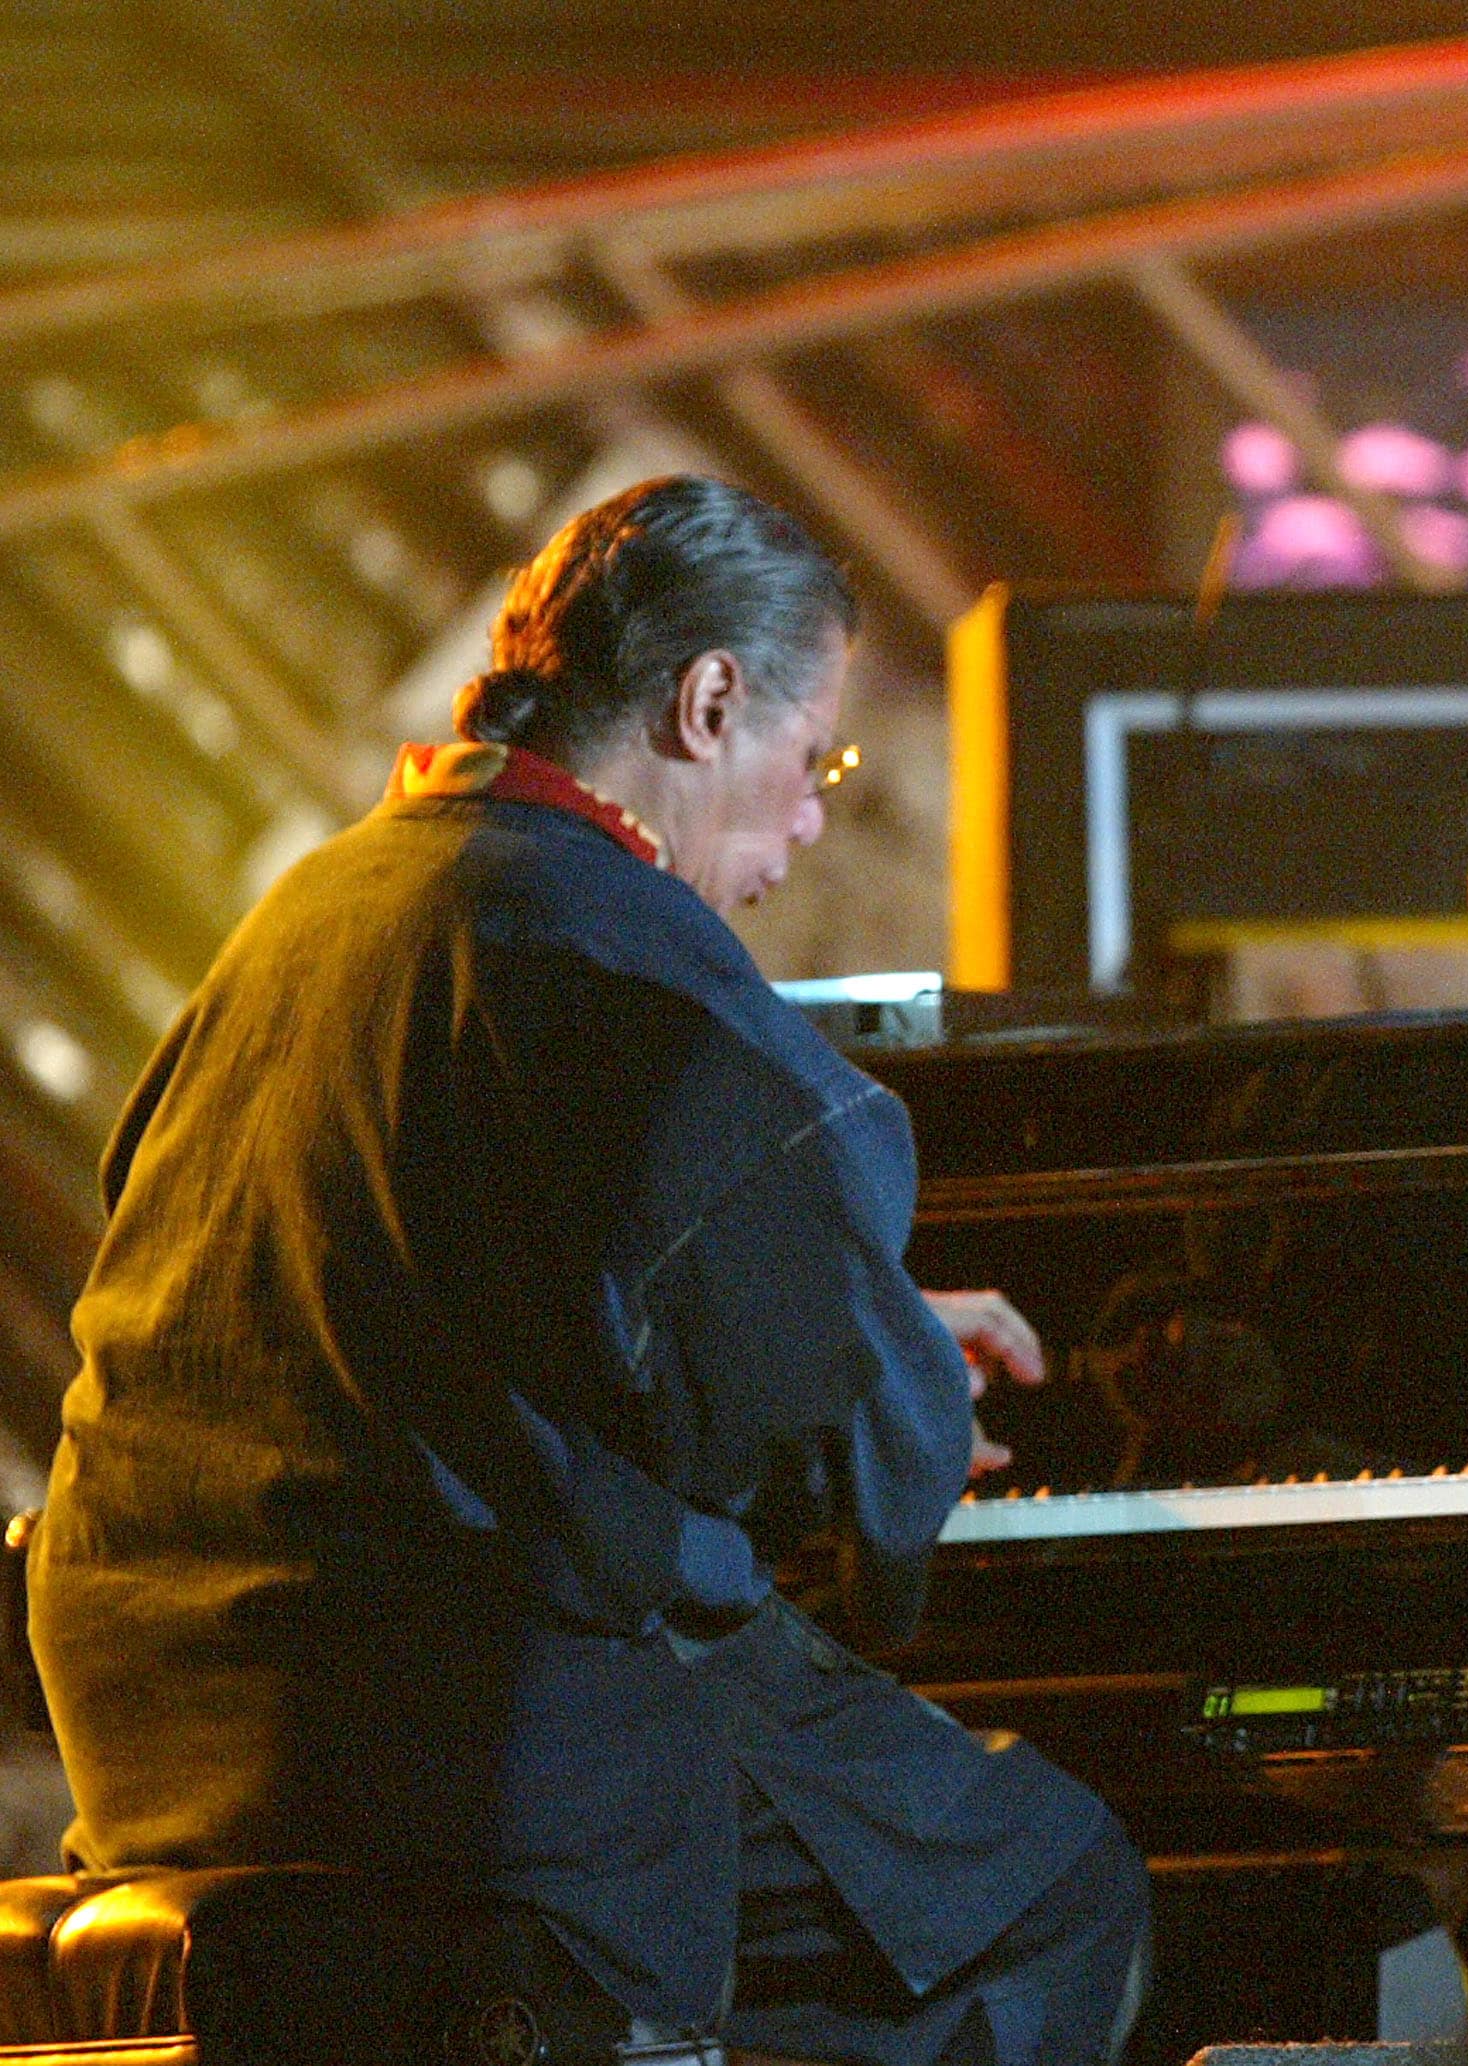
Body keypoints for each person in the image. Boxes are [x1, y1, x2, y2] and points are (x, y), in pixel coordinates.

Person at [25, 475, 1146, 2065]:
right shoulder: (620, 946)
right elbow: (850, 1457)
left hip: (165, 1741)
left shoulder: (305, 917)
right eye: (810, 758)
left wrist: (877, 1333)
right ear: (706, 703)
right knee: (1045, 1884)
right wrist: (903, 1398)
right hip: (463, 1757)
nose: (814, 819)